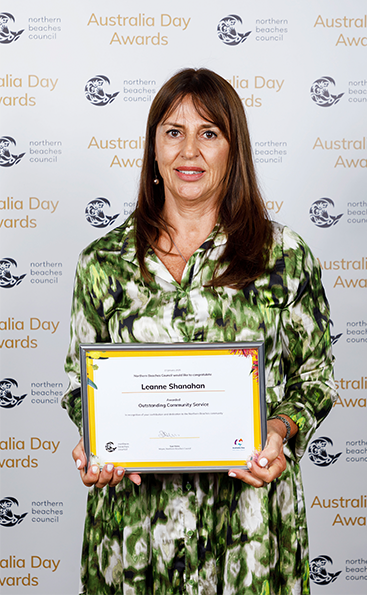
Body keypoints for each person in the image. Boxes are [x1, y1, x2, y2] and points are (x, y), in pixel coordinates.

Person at [62, 68, 336, 595]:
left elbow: (315, 377)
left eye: (209, 133)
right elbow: (81, 386)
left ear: (234, 150)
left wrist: (278, 431)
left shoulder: (285, 256)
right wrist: (97, 441)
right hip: (136, 530)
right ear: (153, 150)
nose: (190, 150)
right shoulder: (101, 264)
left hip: (249, 530)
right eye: (174, 131)